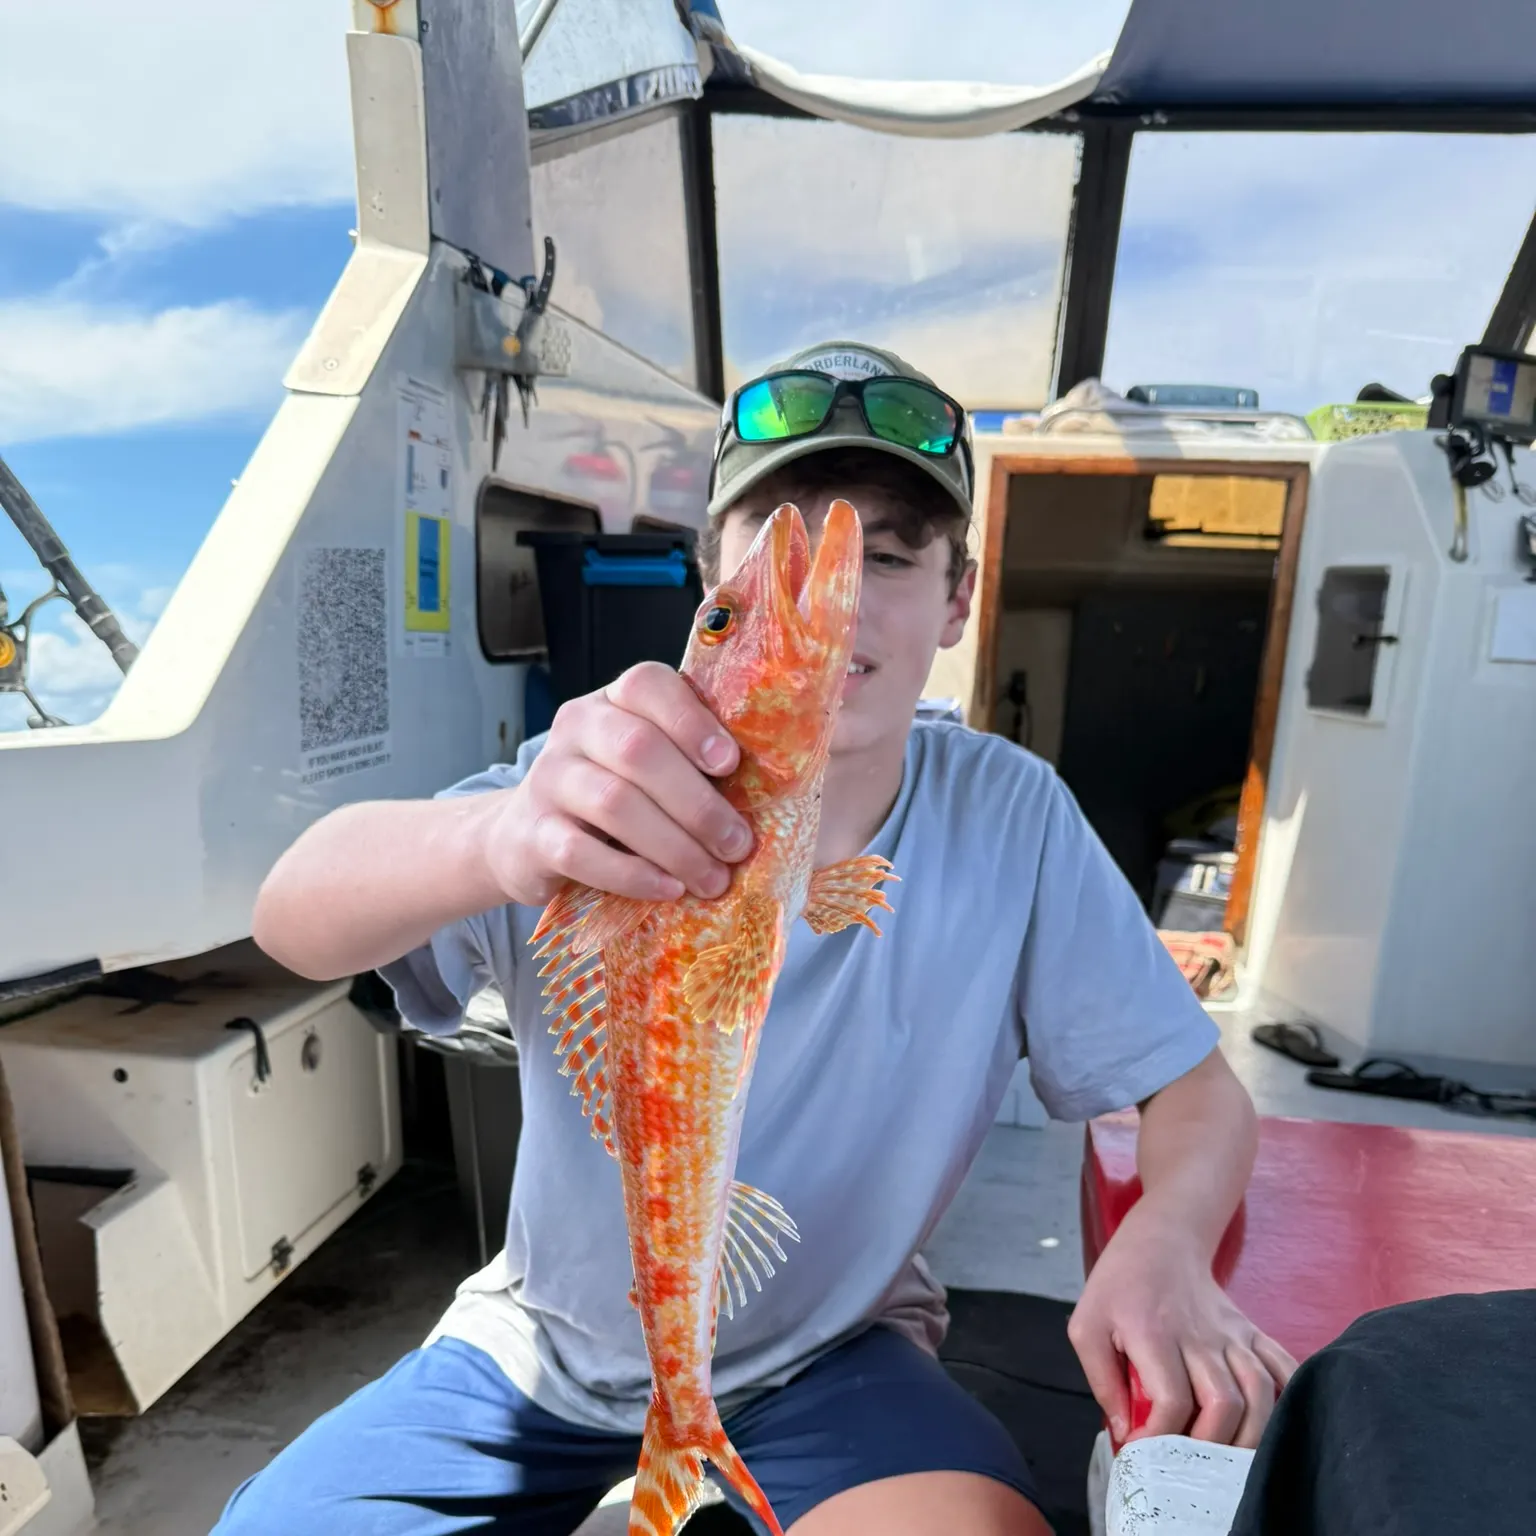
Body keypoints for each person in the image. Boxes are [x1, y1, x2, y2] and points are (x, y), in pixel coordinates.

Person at [224, 341, 1296, 1536]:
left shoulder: (1008, 815)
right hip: (530, 1357)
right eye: (766, 566)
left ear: (957, 600)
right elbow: (292, 914)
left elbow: (1197, 1091)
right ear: (704, 586)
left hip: (833, 1350)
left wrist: (1166, 1239)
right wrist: (500, 837)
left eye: (884, 555)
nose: (828, 598)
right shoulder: (584, 791)